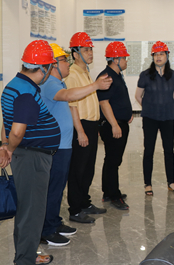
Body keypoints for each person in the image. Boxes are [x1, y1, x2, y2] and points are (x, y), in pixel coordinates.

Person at [0, 40, 61, 265]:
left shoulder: (15, 84)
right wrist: (9, 149)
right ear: (43, 68)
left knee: (27, 210)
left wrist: (5, 145)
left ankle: (26, 254)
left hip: (28, 154)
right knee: (32, 212)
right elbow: (17, 130)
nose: (50, 71)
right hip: (32, 157)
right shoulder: (26, 92)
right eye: (50, 67)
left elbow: (6, 123)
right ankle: (25, 260)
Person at [40, 43, 112, 246]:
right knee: (54, 188)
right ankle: (47, 230)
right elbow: (69, 97)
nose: (67, 63)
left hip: (63, 144)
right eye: (64, 60)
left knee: (58, 188)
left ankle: (54, 222)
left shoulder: (59, 81)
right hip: (56, 145)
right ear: (53, 64)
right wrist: (96, 86)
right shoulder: (50, 84)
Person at [66, 32, 107, 223]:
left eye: (90, 49)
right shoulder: (72, 74)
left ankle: (84, 202)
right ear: (75, 54)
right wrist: (81, 131)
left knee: (88, 168)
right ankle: (75, 209)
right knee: (78, 169)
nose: (90, 53)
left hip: (90, 125)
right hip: (80, 126)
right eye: (85, 50)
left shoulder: (85, 72)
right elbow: (72, 105)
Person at [135, 41, 174, 196]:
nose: (158, 57)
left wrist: (164, 105)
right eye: (156, 54)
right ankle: (148, 184)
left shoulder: (173, 75)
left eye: (161, 54)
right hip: (150, 118)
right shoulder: (145, 75)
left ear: (167, 56)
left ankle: (171, 182)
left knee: (169, 150)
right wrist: (150, 106)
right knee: (149, 150)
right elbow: (138, 96)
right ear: (152, 57)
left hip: (167, 117)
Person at [97, 42, 133, 210]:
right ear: (116, 59)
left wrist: (127, 113)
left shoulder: (116, 75)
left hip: (119, 122)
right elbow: (104, 103)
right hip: (113, 125)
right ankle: (114, 195)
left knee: (112, 159)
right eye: (124, 58)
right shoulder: (107, 77)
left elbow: (117, 99)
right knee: (113, 161)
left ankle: (108, 191)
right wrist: (114, 125)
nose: (126, 61)